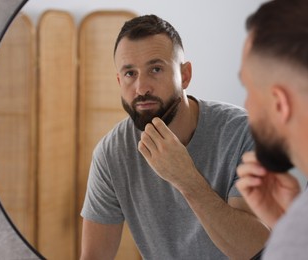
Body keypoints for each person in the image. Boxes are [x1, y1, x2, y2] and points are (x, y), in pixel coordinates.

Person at [80, 14, 269, 260]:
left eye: (155, 69)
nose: (141, 87)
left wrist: (186, 179)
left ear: (185, 75)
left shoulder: (244, 133)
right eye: (130, 74)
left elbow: (254, 251)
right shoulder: (111, 153)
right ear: (119, 81)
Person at [236, 0, 308, 259]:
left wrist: (298, 229)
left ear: (279, 104)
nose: (246, 105)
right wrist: (291, 219)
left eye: (249, 90)